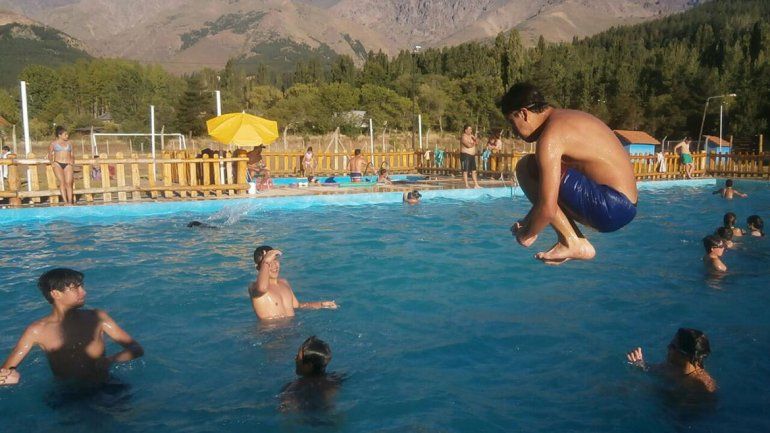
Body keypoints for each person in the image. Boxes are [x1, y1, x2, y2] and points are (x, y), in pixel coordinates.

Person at [502, 83, 637, 264]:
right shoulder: (567, 118)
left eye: (512, 123)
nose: (514, 131)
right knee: (542, 174)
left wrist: (527, 234)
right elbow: (550, 191)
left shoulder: (551, 137)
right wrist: (529, 220)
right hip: (623, 206)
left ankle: (572, 242)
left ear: (524, 113)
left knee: (527, 167)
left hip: (610, 207)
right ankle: (574, 240)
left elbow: (548, 208)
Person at [0, 268, 143, 387]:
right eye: (76, 288)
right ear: (56, 294)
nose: (84, 292)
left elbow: (136, 349)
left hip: (105, 385)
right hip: (68, 394)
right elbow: (5, 370)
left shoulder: (97, 317)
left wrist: (110, 360)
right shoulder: (37, 330)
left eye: (82, 286)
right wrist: (8, 377)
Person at [248, 246, 337, 321]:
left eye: (275, 260)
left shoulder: (284, 283)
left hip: (293, 330)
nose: (273, 265)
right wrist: (266, 261)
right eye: (268, 263)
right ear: (258, 267)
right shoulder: (254, 287)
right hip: (273, 336)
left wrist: (321, 304)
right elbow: (262, 288)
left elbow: (297, 306)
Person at [626, 328, 716, 394]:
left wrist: (645, 389)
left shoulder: (699, 386)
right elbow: (652, 370)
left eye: (673, 346)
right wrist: (640, 364)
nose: (668, 347)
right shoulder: (672, 367)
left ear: (685, 355)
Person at [279, 336, 343, 414]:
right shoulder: (336, 378)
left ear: (308, 366)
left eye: (298, 357)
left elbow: (285, 413)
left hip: (308, 419)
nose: (295, 358)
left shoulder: (292, 388)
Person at [48, 126, 76, 204]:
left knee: (69, 182)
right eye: (65, 134)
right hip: (58, 164)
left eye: (67, 134)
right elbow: (50, 154)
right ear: (59, 135)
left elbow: (72, 154)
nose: (67, 136)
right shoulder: (53, 144)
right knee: (62, 182)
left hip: (68, 164)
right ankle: (65, 201)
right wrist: (52, 162)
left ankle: (70, 202)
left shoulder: (70, 143)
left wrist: (72, 160)